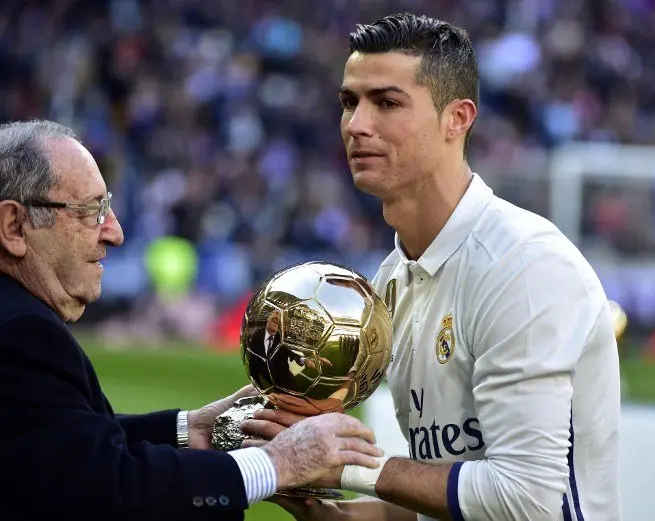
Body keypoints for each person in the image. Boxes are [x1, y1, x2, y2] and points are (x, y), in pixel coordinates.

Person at [242, 12, 622, 521]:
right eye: (349, 102)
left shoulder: (524, 265)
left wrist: (345, 467)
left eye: (387, 102)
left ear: (457, 118)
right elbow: (437, 490)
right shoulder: (392, 281)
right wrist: (318, 504)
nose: (357, 125)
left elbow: (527, 500)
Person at [0, 119, 384, 520]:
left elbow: (68, 441)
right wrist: (279, 463)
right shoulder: (22, 334)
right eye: (91, 211)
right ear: (14, 226)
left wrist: (193, 428)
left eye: (108, 207)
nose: (115, 232)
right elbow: (104, 487)